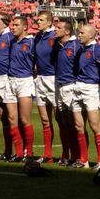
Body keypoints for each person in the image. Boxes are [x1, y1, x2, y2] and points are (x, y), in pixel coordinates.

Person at [70, 24, 100, 170]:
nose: (79, 35)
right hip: (77, 87)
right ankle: (83, 160)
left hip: (91, 88)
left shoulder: (98, 50)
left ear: (91, 35)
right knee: (79, 126)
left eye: (82, 33)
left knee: (94, 125)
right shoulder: (81, 50)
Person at [0, 13, 18, 160]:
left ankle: (20, 151)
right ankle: (8, 151)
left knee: (12, 117)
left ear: (5, 23)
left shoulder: (10, 38)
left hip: (6, 79)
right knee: (2, 116)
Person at [51, 19, 80, 166]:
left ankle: (77, 155)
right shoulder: (58, 46)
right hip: (59, 85)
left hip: (71, 86)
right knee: (61, 122)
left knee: (72, 123)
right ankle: (65, 154)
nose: (55, 29)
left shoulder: (76, 46)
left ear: (67, 31)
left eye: (58, 28)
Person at [8, 16, 35, 161]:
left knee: (24, 119)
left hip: (25, 80)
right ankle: (18, 153)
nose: (13, 27)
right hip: (10, 81)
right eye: (13, 25)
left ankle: (28, 152)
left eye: (17, 25)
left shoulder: (31, 42)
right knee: (12, 119)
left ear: (25, 27)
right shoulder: (12, 42)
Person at [33, 10, 57, 163]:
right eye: (37, 20)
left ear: (49, 22)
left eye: (41, 20)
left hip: (54, 79)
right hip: (40, 78)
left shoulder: (55, 36)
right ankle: (48, 154)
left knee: (61, 119)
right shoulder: (37, 37)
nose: (38, 22)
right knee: (44, 119)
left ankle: (67, 154)